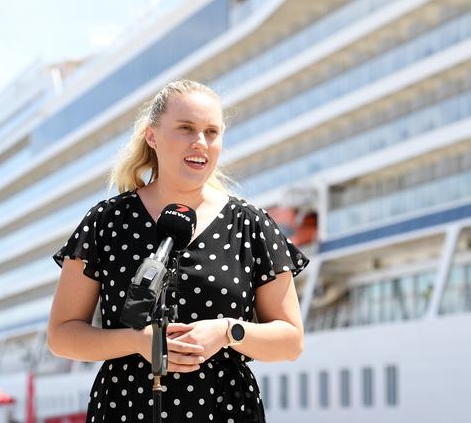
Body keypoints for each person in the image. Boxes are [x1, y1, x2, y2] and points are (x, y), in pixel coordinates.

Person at [48, 79, 310, 422]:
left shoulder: (251, 224)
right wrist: (139, 341)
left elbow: (291, 341)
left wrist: (228, 331)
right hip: (126, 411)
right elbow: (62, 335)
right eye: (186, 128)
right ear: (151, 135)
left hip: (225, 411)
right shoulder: (107, 221)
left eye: (212, 132)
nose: (200, 142)